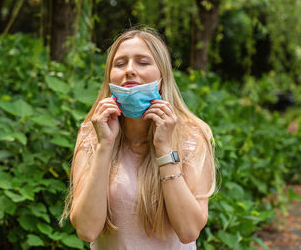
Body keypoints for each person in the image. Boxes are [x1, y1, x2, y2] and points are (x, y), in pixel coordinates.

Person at [60, 27, 216, 249]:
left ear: (163, 75)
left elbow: (189, 230)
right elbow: (86, 229)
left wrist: (164, 149)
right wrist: (105, 146)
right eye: (120, 64)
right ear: (109, 77)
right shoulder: (91, 134)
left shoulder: (192, 136)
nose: (130, 70)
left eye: (143, 62)